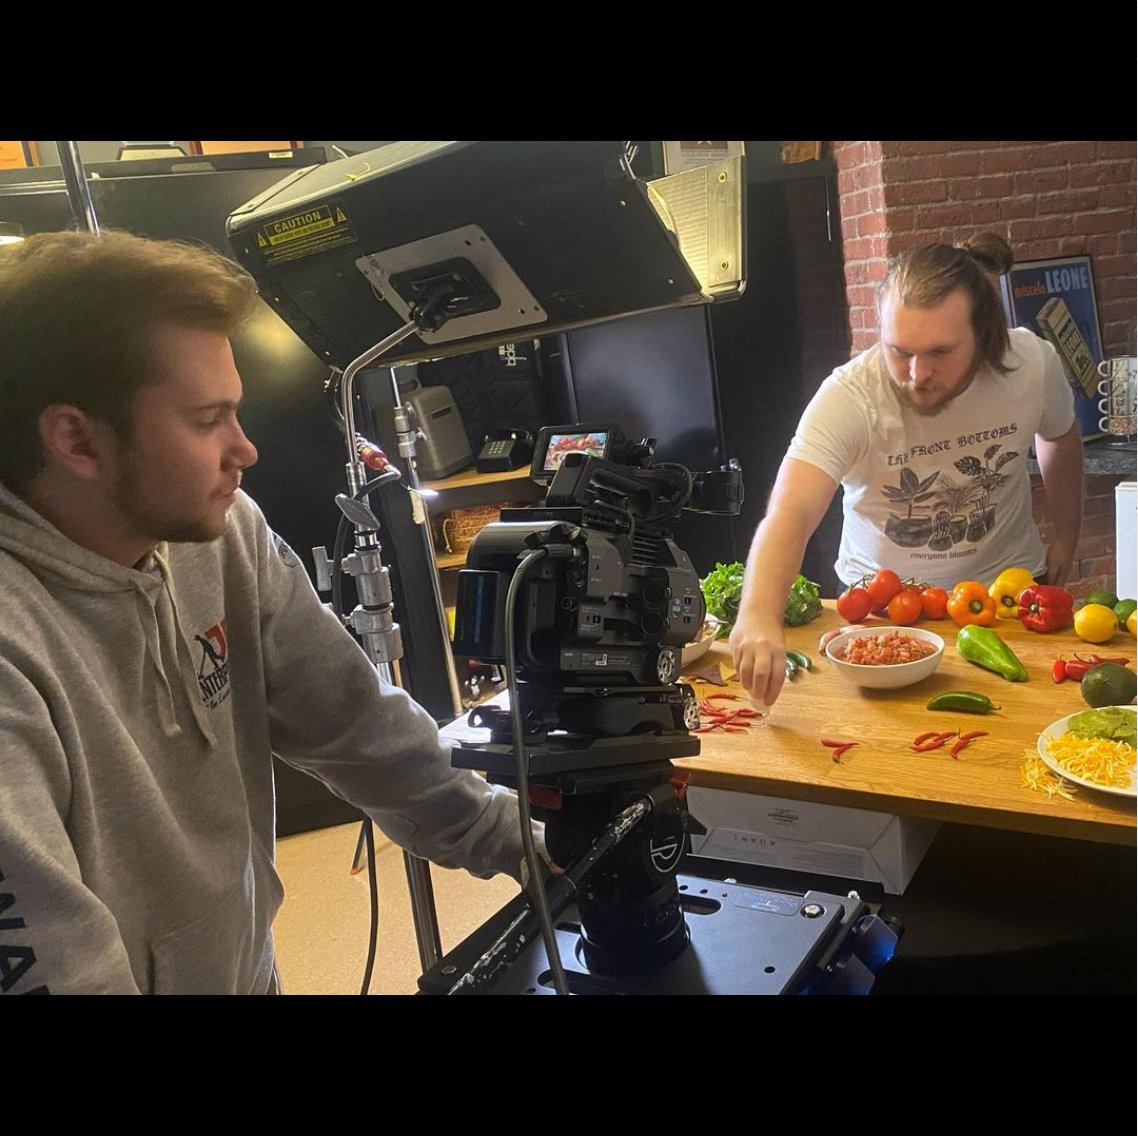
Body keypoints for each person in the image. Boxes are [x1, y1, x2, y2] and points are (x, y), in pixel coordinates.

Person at [0, 229, 540, 995]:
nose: (244, 449)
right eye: (206, 420)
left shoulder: (221, 531)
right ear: (75, 440)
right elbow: (58, 967)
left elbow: (353, 719)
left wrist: (515, 840)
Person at [730, 233, 1083, 709]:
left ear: (983, 333)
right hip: (882, 612)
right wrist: (757, 612)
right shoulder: (849, 397)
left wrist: (1067, 535)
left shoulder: (1032, 364)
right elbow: (791, 511)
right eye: (899, 351)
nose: (917, 375)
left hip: (1008, 596)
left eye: (939, 352)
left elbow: (1058, 435)